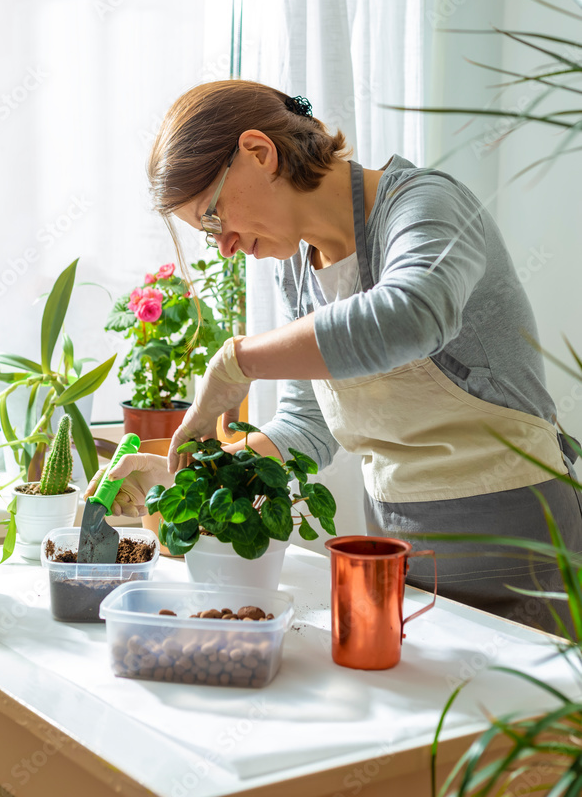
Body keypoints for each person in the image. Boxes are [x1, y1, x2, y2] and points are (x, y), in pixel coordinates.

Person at [86, 78, 582, 634]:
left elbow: (412, 315)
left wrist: (236, 361)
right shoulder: (297, 269)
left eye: (211, 215)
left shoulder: (425, 204)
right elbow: (309, 426)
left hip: (517, 546)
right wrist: (187, 475)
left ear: (259, 153)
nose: (222, 245)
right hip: (399, 556)